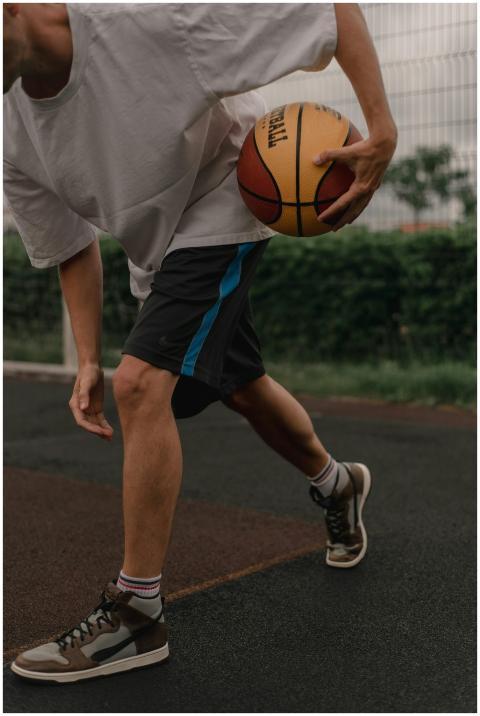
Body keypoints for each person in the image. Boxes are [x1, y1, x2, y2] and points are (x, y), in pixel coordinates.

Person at [4, 3, 397, 683]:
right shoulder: (11, 133)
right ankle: (337, 486)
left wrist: (383, 131)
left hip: (228, 197)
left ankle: (136, 614)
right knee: (239, 387)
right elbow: (69, 245)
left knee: (144, 383)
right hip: (159, 249)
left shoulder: (151, 23)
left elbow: (333, 14)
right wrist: (88, 358)